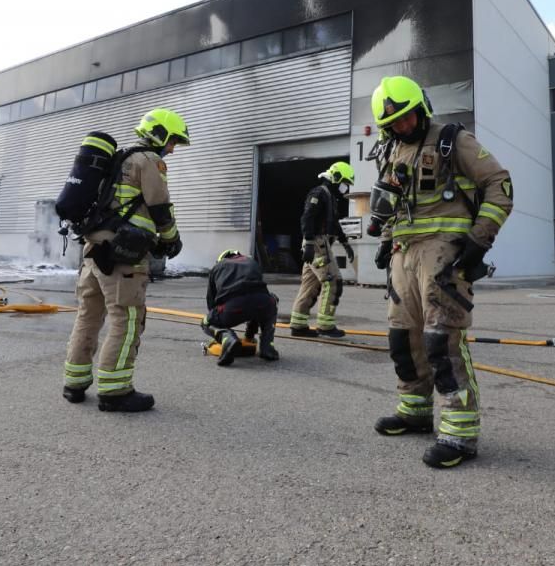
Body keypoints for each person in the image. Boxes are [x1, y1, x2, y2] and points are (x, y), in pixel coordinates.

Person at [369, 76, 513, 469]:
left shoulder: (453, 140)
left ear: (422, 108)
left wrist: (479, 238)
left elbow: (499, 184)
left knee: (441, 342)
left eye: (407, 118)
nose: (402, 126)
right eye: (393, 123)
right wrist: (385, 242)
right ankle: (414, 410)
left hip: (444, 254)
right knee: (403, 339)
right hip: (404, 254)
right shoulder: (392, 150)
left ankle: (459, 433)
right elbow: (390, 205)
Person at [61, 109, 188, 413]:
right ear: (159, 134)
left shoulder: (118, 159)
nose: (172, 149)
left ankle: (74, 383)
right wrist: (172, 240)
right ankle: (115, 390)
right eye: (172, 141)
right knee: (127, 319)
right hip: (121, 256)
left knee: (88, 316)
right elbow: (160, 209)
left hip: (93, 250)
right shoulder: (148, 161)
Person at [288, 161, 356, 339]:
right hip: (317, 243)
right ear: (336, 178)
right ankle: (325, 326)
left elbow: (334, 223)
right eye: (345, 183)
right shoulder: (319, 193)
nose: (346, 188)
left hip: (319, 243)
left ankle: (298, 324)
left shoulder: (330, 197)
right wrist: (309, 242)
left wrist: (345, 243)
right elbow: (307, 218)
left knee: (309, 285)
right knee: (332, 281)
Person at [202, 249, 280, 366]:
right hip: (263, 304)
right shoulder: (252, 262)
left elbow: (211, 303)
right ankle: (267, 348)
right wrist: (249, 337)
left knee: (205, 322)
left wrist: (217, 320)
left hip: (233, 308)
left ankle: (227, 338)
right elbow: (258, 293)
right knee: (269, 302)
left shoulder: (217, 267)